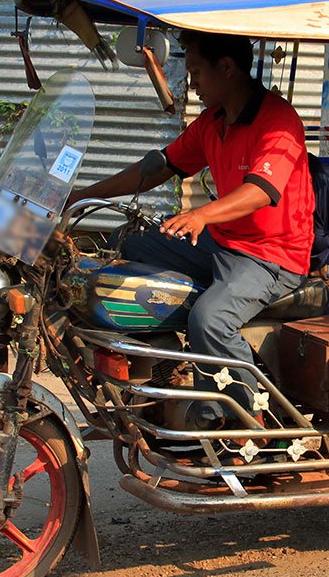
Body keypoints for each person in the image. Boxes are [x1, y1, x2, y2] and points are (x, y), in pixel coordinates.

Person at [67, 30, 315, 410]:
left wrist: (200, 214)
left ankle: (249, 421)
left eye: (196, 71)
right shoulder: (214, 121)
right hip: (222, 242)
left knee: (210, 321)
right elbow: (161, 167)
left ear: (227, 68)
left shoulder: (278, 121)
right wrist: (84, 195)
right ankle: (156, 367)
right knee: (124, 244)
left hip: (271, 257)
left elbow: (261, 190)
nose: (191, 82)